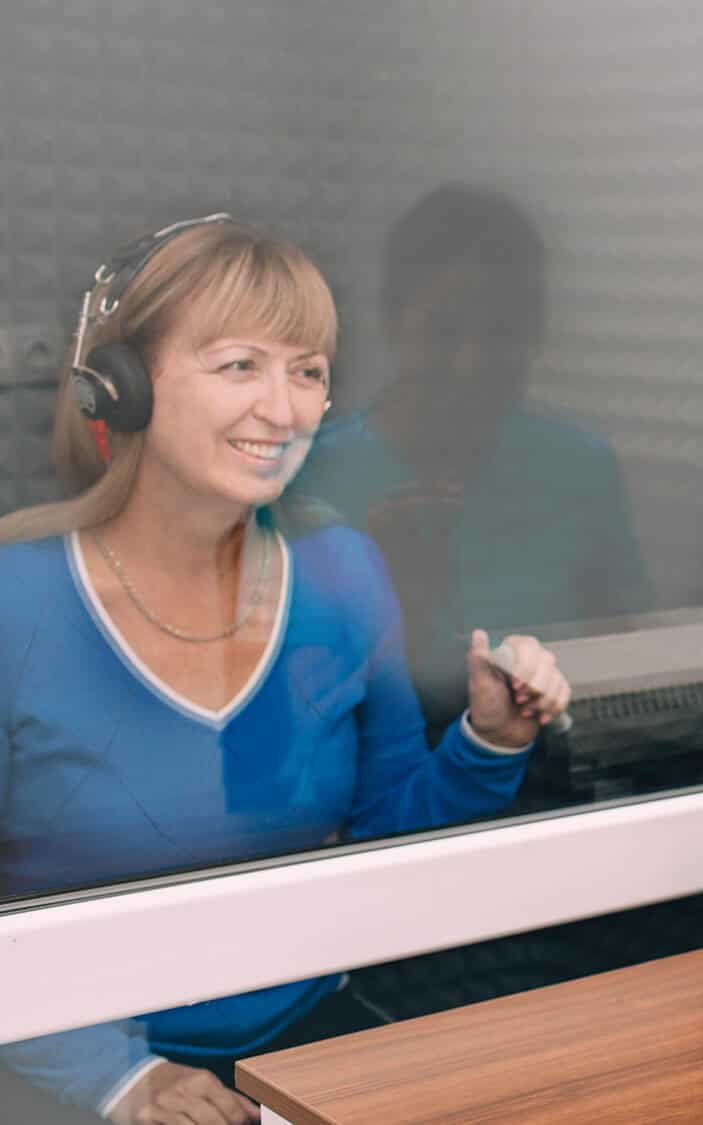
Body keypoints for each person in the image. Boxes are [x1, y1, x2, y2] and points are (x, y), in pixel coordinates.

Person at [0, 216, 572, 1125]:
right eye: (241, 366)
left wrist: (486, 742)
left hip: (308, 1045)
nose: (286, 408)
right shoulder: (15, 601)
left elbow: (386, 835)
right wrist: (114, 1079)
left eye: (307, 372)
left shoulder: (342, 574)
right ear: (125, 387)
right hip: (60, 1072)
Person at [289, 184, 658, 758]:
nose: (471, 363)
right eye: (444, 332)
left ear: (535, 334)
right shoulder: (310, 474)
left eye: (501, 334)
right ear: (394, 322)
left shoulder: (579, 470)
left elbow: (622, 649)